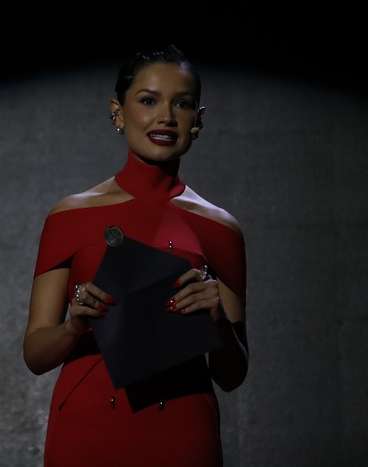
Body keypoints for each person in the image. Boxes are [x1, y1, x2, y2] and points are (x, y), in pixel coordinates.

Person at [22, 43, 248, 466]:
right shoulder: (68, 215)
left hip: (184, 433)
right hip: (86, 432)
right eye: (148, 101)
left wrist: (216, 321)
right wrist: (74, 328)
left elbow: (233, 375)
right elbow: (35, 354)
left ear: (198, 120)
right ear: (119, 112)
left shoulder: (221, 228)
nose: (165, 116)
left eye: (182, 104)